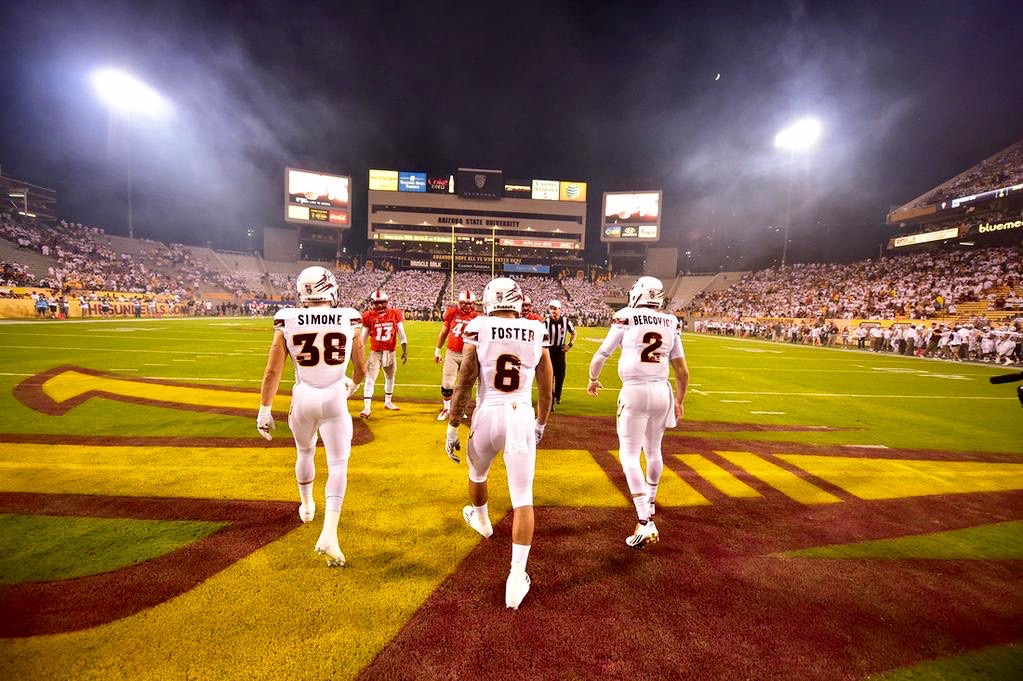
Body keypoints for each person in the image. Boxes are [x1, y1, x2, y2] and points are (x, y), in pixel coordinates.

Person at [445, 277, 553, 609]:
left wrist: (452, 428)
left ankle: (482, 520)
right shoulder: (536, 329)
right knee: (523, 500)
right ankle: (515, 578)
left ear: (490, 301)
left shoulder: (478, 326)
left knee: (477, 475)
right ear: (518, 301)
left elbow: (463, 381)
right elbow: (546, 389)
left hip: (488, 411)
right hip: (520, 413)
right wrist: (541, 423)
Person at [256, 266, 367, 567]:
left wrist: (265, 408)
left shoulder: (288, 318)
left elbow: (272, 371)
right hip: (334, 395)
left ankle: (306, 506)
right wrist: (352, 385)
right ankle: (329, 533)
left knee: (304, 451)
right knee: (338, 465)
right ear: (330, 288)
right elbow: (361, 366)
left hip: (303, 395)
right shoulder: (349, 316)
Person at [586, 276, 690, 550]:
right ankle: (651, 502)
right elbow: (683, 371)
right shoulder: (671, 321)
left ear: (638, 294)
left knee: (629, 455)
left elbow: (601, 355)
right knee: (654, 450)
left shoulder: (627, 316)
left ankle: (645, 521)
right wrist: (679, 401)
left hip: (634, 391)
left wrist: (593, 378)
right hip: (661, 392)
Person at [359, 289, 408, 418]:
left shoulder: (395, 313)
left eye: (382, 303)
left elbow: (401, 333)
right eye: (377, 303)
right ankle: (367, 407)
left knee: (390, 378)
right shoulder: (368, 316)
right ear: (372, 303)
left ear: (387, 302)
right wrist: (361, 355)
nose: (380, 305)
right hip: (375, 352)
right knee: (370, 379)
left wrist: (405, 351)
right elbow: (363, 338)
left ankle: (388, 402)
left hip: (391, 352)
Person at [434, 290, 479, 421]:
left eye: (469, 304)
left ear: (474, 304)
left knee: (465, 385)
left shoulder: (477, 317)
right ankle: (447, 408)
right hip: (452, 353)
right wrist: (437, 350)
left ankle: (461, 409)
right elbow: (444, 332)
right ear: (459, 303)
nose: (467, 306)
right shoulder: (452, 313)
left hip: (469, 355)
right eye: (464, 304)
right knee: (447, 384)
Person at [544, 299, 575, 411]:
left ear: (560, 309)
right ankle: (551, 401)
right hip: (549, 351)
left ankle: (557, 396)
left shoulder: (566, 321)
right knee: (549, 377)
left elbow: (574, 333)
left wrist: (569, 345)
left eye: (555, 309)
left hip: (560, 351)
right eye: (551, 309)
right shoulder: (546, 322)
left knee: (560, 376)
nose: (553, 311)